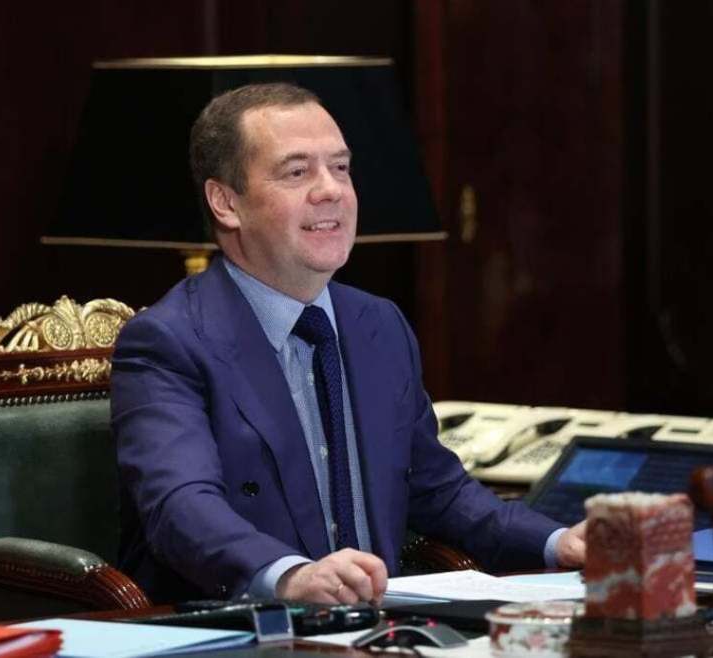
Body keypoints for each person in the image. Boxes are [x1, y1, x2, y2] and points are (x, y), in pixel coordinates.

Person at [111, 82, 586, 606]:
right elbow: (181, 507)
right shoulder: (169, 340)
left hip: (380, 625)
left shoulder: (378, 325)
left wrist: (557, 542)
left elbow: (438, 490)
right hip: (245, 626)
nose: (331, 190)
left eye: (340, 167)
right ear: (226, 203)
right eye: (297, 172)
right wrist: (289, 576)